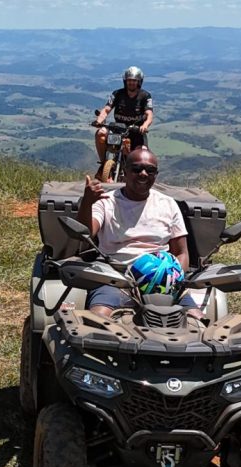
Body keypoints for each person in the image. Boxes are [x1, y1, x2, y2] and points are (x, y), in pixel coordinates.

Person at [76, 147, 205, 324]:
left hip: (162, 281)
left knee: (199, 322)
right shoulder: (106, 202)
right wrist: (87, 202)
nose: (143, 174)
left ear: (156, 175)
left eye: (150, 170)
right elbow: (87, 232)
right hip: (117, 278)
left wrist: (173, 280)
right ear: (125, 172)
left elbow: (181, 253)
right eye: (136, 169)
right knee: (97, 320)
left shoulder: (168, 204)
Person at [92, 66, 154, 166]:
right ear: (125, 81)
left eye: (134, 80)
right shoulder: (117, 94)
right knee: (100, 133)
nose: (131, 83)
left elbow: (149, 114)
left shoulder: (145, 96)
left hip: (136, 132)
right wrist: (99, 121)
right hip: (118, 130)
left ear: (139, 82)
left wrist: (145, 125)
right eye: (129, 80)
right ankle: (103, 164)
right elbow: (106, 109)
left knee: (143, 155)